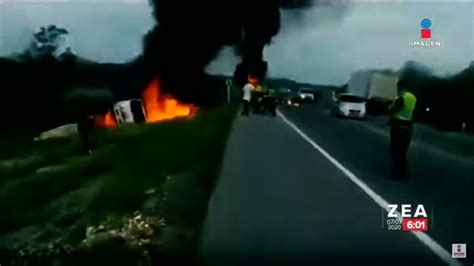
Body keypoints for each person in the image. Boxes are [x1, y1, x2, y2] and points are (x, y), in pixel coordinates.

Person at [389, 79, 417, 179]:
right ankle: (404, 173)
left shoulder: (401, 98)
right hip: (408, 125)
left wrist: (391, 106)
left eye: (398, 87)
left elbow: (395, 110)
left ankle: (396, 173)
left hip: (398, 125)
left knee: (395, 150)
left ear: (401, 87)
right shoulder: (413, 98)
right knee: (403, 151)